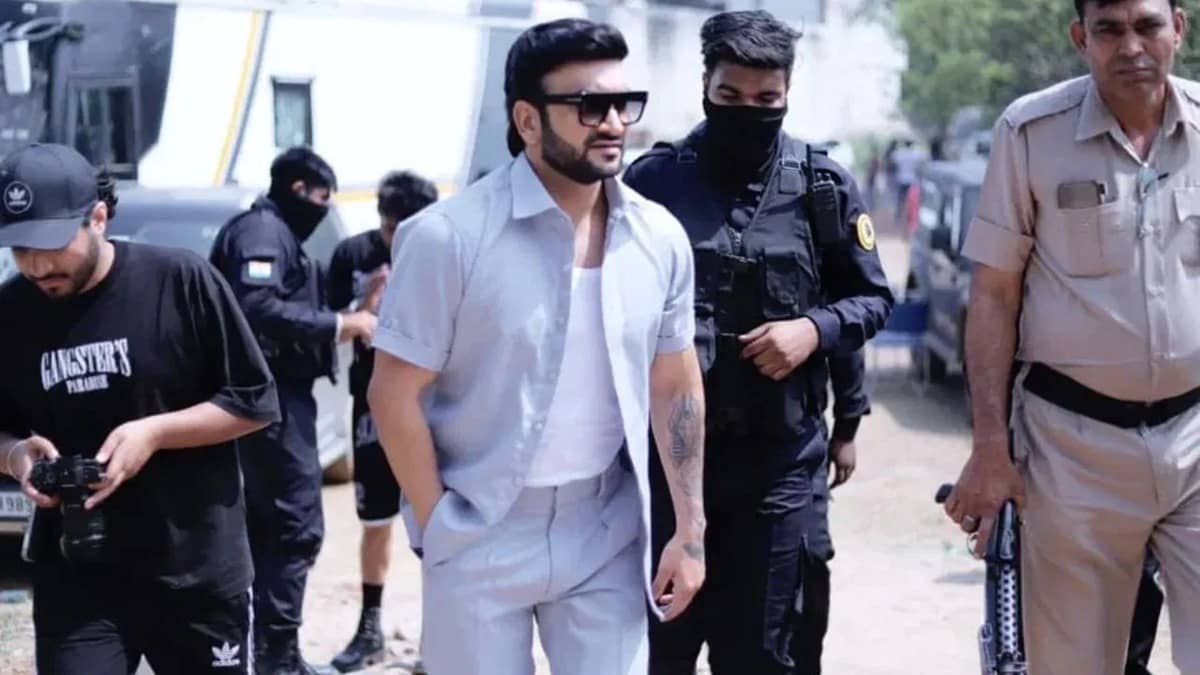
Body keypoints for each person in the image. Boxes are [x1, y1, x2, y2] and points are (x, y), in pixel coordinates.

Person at [366, 18, 706, 675]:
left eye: (623, 103)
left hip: (605, 528)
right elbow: (394, 392)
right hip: (479, 527)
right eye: (590, 106)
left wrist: (690, 530)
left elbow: (675, 384)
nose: (614, 122)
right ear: (527, 120)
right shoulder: (447, 238)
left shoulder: (658, 237)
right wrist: (441, 521)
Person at [622, 10, 894, 674]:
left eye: (766, 99)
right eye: (731, 95)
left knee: (769, 653)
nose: (749, 111)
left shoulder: (822, 187)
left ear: (787, 93)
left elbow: (871, 297)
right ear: (705, 87)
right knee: (656, 653)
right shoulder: (652, 185)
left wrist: (813, 330)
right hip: (668, 470)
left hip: (779, 468)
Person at [941, 0, 1200, 672]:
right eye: (1109, 30)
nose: (1131, 46)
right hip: (1072, 452)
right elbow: (994, 296)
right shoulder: (1031, 132)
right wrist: (989, 448)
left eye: (1147, 25)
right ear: (1081, 38)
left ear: (1179, 27)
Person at [0, 143, 280, 674]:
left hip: (194, 571)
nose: (37, 265)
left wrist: (154, 434)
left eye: (51, 243)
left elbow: (254, 402)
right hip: (78, 576)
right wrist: (16, 456)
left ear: (97, 218)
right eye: (20, 249)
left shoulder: (180, 281)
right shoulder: (10, 313)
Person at [209, 147, 376, 675]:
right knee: (293, 526)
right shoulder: (263, 231)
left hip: (278, 402)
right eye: (323, 198)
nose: (324, 209)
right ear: (299, 189)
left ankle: (272, 654)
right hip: (269, 403)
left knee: (274, 531)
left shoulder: (274, 231)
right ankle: (275, 660)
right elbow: (256, 305)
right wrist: (342, 325)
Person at [325, 170, 438, 673]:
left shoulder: (444, 252)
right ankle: (369, 629)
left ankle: (440, 634)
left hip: (433, 405)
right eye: (390, 229)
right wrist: (363, 310)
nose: (397, 239)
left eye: (407, 229)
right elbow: (325, 324)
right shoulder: (353, 255)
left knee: (439, 521)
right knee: (375, 519)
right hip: (371, 405)